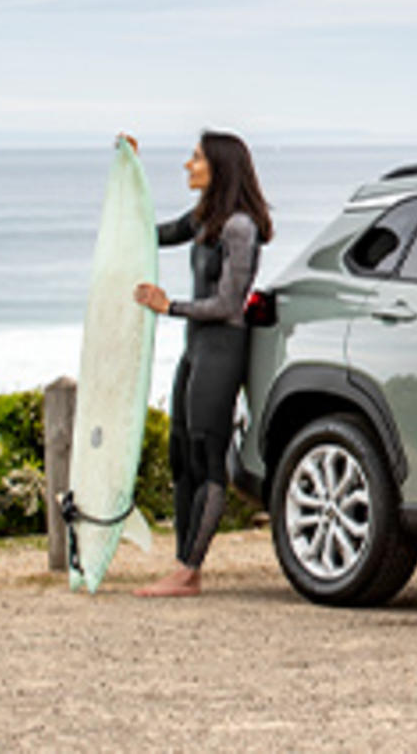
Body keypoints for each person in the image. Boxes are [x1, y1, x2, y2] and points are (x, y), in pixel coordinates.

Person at [129, 131, 273, 597]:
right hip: (196, 348)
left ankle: (190, 571)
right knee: (181, 456)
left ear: (219, 167)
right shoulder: (204, 220)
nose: (188, 166)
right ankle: (182, 566)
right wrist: (129, 172)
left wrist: (169, 306)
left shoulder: (239, 228)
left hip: (223, 348)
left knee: (208, 456)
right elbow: (153, 234)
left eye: (196, 158)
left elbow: (229, 303)